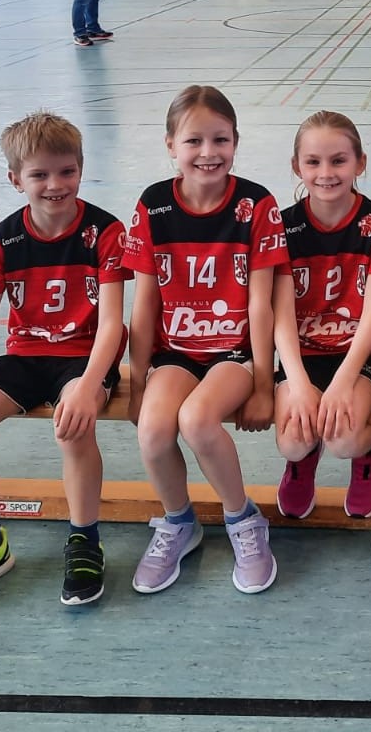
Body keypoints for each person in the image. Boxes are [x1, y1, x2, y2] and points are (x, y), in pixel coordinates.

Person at [0, 111, 130, 609]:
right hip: (26, 354)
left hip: (84, 357)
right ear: (16, 179)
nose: (55, 185)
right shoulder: (6, 239)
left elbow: (112, 324)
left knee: (73, 427)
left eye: (66, 171)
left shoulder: (104, 231)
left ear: (81, 169)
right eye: (40, 174)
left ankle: (85, 539)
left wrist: (90, 384)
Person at [123, 85, 289, 595]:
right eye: (193, 140)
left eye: (221, 139)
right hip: (176, 352)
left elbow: (261, 305)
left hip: (235, 353)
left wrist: (263, 385)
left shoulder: (256, 204)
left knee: (196, 419)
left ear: (236, 142)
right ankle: (179, 522)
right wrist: (137, 382)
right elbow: (145, 304)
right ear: (171, 145)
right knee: (153, 429)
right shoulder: (153, 205)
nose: (208, 152)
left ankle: (242, 518)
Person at [273, 111, 371, 522]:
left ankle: (369, 452)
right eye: (313, 162)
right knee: (293, 441)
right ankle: (301, 461)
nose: (326, 173)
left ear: (360, 163)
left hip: (359, 357)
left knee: (343, 438)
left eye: (338, 160)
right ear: (297, 166)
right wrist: (297, 382)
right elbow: (280, 315)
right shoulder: (283, 226)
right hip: (304, 355)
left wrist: (343, 382)